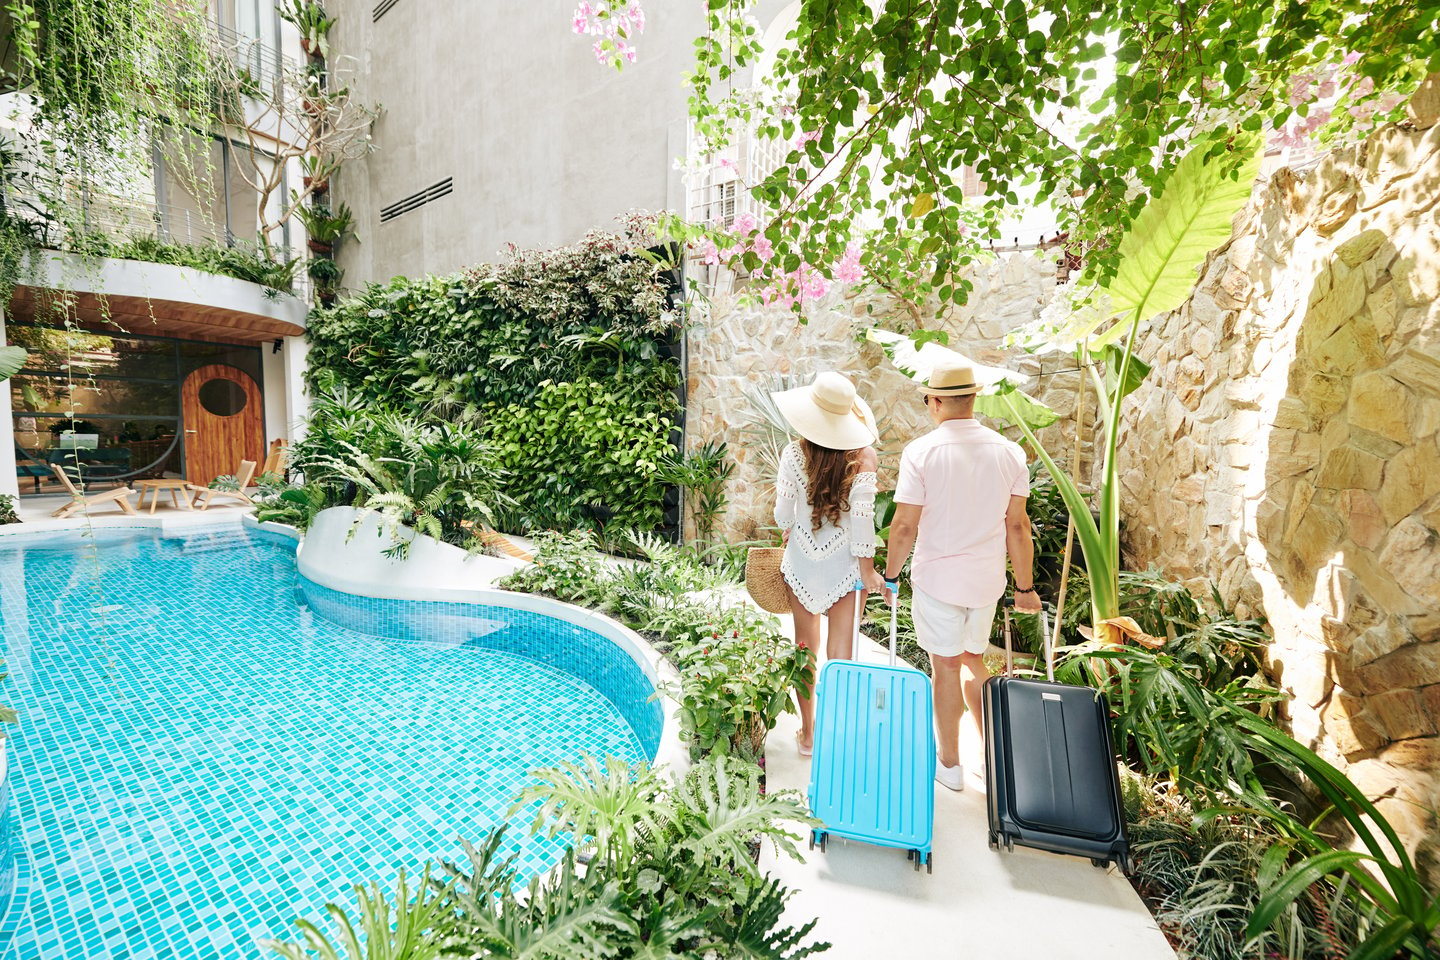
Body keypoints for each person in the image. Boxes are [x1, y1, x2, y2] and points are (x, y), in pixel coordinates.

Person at [881, 356, 1042, 791]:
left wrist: (890, 577)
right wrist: (1025, 588)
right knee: (974, 659)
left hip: (938, 582)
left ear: (934, 402)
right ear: (973, 399)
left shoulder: (922, 452)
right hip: (985, 581)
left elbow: (904, 525)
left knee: (946, 666)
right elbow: (1017, 526)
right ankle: (993, 759)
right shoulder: (1010, 453)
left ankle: (950, 765)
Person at [770, 371, 884, 757]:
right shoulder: (864, 457)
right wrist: (868, 570)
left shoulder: (793, 453)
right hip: (846, 568)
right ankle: (838, 733)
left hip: (802, 562)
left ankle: (808, 734)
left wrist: (792, 531)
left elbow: (783, 516)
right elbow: (864, 522)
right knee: (842, 655)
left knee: (805, 649)